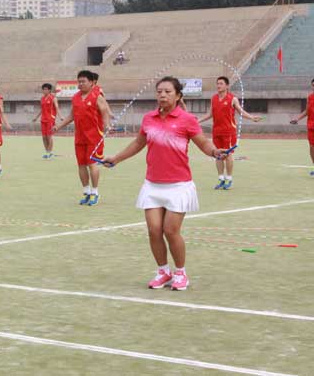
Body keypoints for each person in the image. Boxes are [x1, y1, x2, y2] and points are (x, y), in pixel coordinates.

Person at [102, 77, 224, 291]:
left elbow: (203, 142)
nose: (162, 95)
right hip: (152, 185)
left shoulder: (187, 119)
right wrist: (117, 158)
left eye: (168, 91)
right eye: (159, 91)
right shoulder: (149, 118)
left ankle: (180, 273)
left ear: (178, 96)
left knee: (170, 230)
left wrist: (214, 152)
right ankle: (163, 271)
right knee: (154, 230)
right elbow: (138, 143)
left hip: (178, 185)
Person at [54, 70, 112, 206]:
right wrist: (58, 126)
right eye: (79, 81)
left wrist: (107, 125)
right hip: (80, 137)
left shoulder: (97, 96)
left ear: (91, 82)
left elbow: (105, 112)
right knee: (81, 165)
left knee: (92, 164)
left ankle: (95, 192)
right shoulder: (75, 97)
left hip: (94, 136)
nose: (80, 84)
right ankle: (86, 192)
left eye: (83, 81)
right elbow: (71, 116)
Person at [197, 76, 261, 189]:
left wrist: (251, 117)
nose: (218, 86)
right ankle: (221, 179)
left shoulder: (232, 99)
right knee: (218, 155)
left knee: (228, 155)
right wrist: (198, 120)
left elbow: (241, 112)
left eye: (221, 83)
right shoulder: (213, 98)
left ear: (227, 86)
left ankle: (229, 179)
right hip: (216, 132)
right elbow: (210, 114)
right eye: (217, 83)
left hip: (229, 132)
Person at [289, 78, 314, 176]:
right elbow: (307, 111)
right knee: (312, 148)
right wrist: (297, 119)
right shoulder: (310, 97)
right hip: (311, 126)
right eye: (313, 85)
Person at [32, 83, 62, 159]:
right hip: (43, 120)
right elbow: (42, 109)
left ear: (49, 90)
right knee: (44, 137)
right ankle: (47, 152)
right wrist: (36, 117)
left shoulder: (53, 98)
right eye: (43, 89)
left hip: (50, 120)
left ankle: (50, 153)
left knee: (49, 136)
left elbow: (57, 108)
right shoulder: (42, 99)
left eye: (45, 89)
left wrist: (60, 116)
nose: (44, 91)